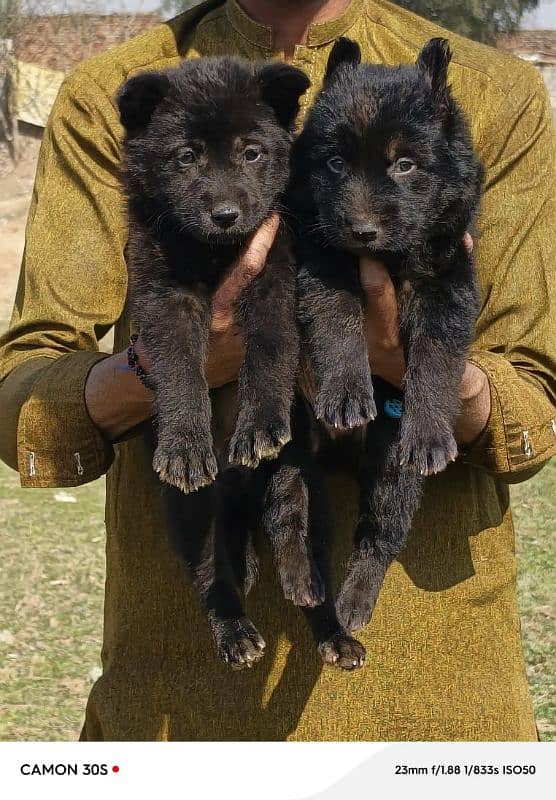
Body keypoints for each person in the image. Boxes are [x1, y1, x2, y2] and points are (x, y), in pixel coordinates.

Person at [0, 0, 554, 741]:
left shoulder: (494, 94)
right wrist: (174, 369)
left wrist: (419, 369)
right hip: (184, 705)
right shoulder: (116, 94)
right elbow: (27, 392)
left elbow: (537, 404)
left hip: (433, 709)